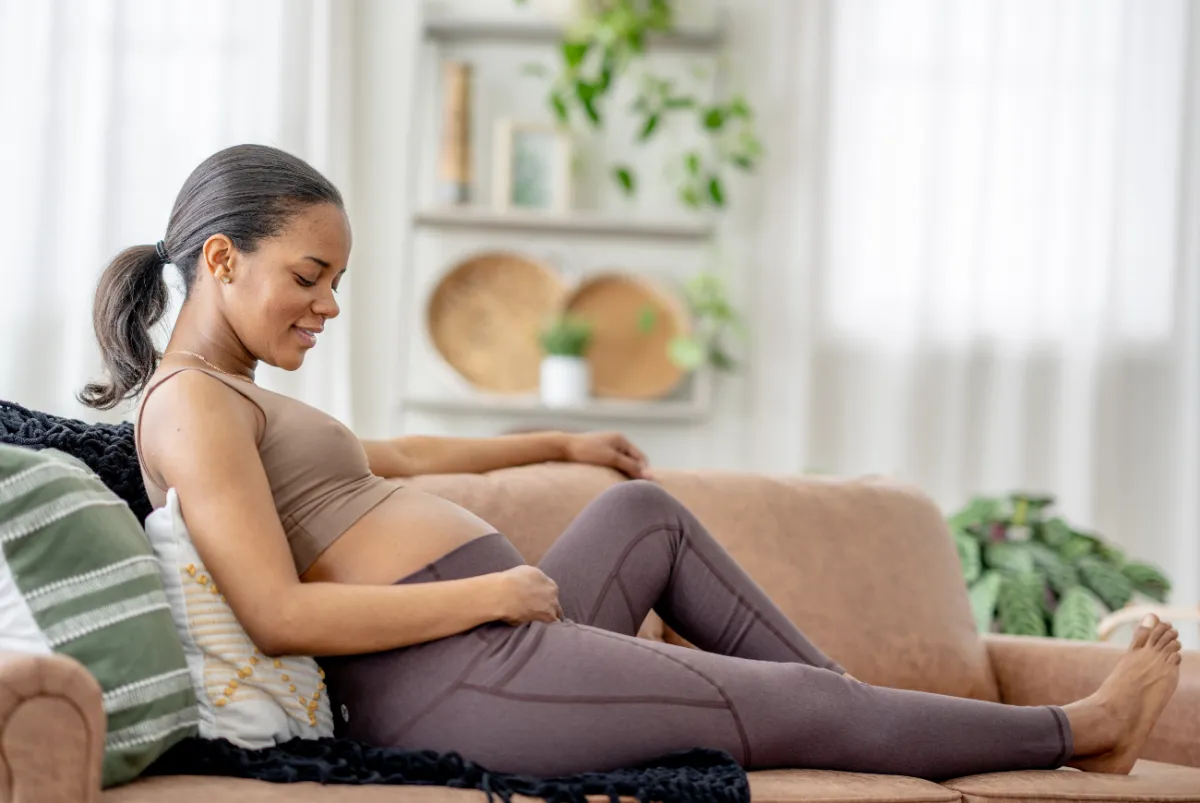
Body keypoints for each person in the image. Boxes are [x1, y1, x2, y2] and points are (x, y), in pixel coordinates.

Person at [83, 144, 1182, 780]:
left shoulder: (238, 399)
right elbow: (275, 612)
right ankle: (1081, 730)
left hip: (482, 644)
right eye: (310, 275)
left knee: (644, 514)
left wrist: (556, 441)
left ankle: (859, 711)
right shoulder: (190, 408)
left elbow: (402, 453)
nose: (328, 304)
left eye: (337, 282)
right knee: (790, 699)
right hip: (449, 674)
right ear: (221, 259)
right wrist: (488, 592)